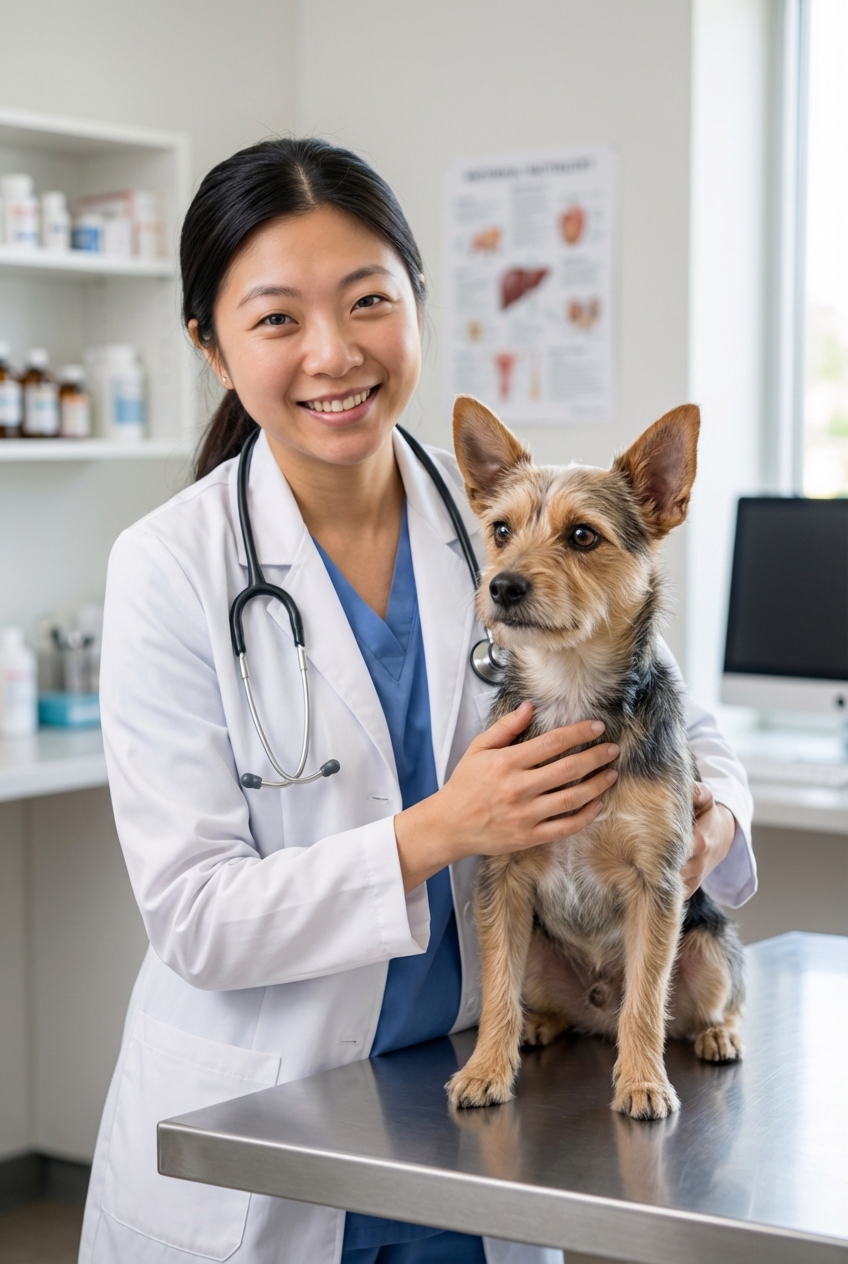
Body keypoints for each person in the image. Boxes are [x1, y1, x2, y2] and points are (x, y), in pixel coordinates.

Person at [79, 138, 755, 1264]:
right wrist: (441, 831)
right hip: (272, 1123)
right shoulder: (168, 567)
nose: (333, 353)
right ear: (209, 343)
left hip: (474, 1117)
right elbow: (192, 915)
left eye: (366, 301)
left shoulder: (498, 514)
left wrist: (710, 818)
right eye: (276, 317)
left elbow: (671, 711)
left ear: (417, 304)